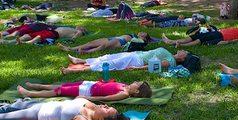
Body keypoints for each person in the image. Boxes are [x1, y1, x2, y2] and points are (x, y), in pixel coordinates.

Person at [61, 47, 191, 75]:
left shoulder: (171, 61)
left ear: (183, 58)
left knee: (110, 64)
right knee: (109, 56)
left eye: (185, 52)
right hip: (135, 53)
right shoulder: (170, 53)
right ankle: (81, 60)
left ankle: (73, 71)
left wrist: (137, 69)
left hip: (137, 60)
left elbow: (155, 66)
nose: (184, 51)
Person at [18, 80, 152, 102]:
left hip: (87, 91)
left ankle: (29, 93)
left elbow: (105, 99)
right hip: (89, 84)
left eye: (137, 84)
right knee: (61, 85)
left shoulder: (124, 94)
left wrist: (87, 99)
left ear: (137, 92)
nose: (134, 82)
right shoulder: (125, 86)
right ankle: (36, 85)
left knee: (59, 91)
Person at [58, 32, 150, 54]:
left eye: (143, 34)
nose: (141, 33)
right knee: (91, 43)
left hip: (120, 41)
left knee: (103, 46)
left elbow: (140, 43)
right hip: (114, 38)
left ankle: (85, 52)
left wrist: (142, 39)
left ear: (144, 38)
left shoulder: (140, 41)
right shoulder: (134, 35)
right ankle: (70, 48)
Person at [162, 27, 238, 47]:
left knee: (200, 39)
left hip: (221, 36)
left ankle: (179, 45)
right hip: (219, 32)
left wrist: (231, 41)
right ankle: (172, 41)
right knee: (196, 36)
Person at [0, 25, 87, 45]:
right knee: (27, 35)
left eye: (81, 27)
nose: (79, 26)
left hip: (55, 34)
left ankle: (27, 43)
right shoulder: (73, 28)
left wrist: (74, 37)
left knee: (39, 37)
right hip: (51, 30)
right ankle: (5, 41)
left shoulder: (79, 32)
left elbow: (74, 38)